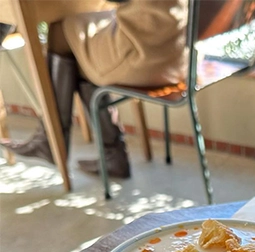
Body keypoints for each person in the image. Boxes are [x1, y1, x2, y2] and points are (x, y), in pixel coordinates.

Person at [0, 0, 188, 178]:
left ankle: (52, 140)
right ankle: (111, 153)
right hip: (179, 54)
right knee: (77, 36)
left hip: (145, 55)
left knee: (60, 32)